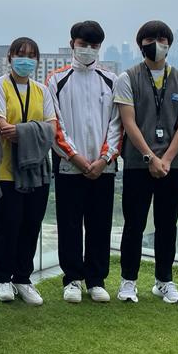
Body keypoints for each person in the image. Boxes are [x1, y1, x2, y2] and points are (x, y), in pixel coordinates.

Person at [114, 20, 178, 306]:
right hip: (138, 163)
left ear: (169, 44)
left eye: (162, 39)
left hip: (172, 166)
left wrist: (167, 159)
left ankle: (164, 281)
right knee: (133, 224)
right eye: (150, 40)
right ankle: (128, 281)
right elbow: (128, 122)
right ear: (141, 45)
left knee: (167, 225)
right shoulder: (128, 78)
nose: (156, 45)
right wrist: (150, 156)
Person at [49, 21, 122, 304]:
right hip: (70, 166)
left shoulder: (111, 80)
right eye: (83, 44)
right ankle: (72, 279)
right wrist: (76, 157)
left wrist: (104, 158)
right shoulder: (56, 80)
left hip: (103, 167)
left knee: (100, 224)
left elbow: (117, 124)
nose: (88, 50)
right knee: (69, 224)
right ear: (72, 44)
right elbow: (55, 124)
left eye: (94, 45)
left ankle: (96, 280)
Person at [0, 37, 57, 306]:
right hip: (5, 170)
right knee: (8, 225)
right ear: (10, 58)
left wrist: (22, 131)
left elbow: (52, 129)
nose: (25, 60)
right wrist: (35, 131)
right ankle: (2, 278)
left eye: (31, 55)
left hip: (37, 170)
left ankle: (23, 278)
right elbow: (1, 126)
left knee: (31, 224)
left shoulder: (42, 90)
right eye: (20, 54)